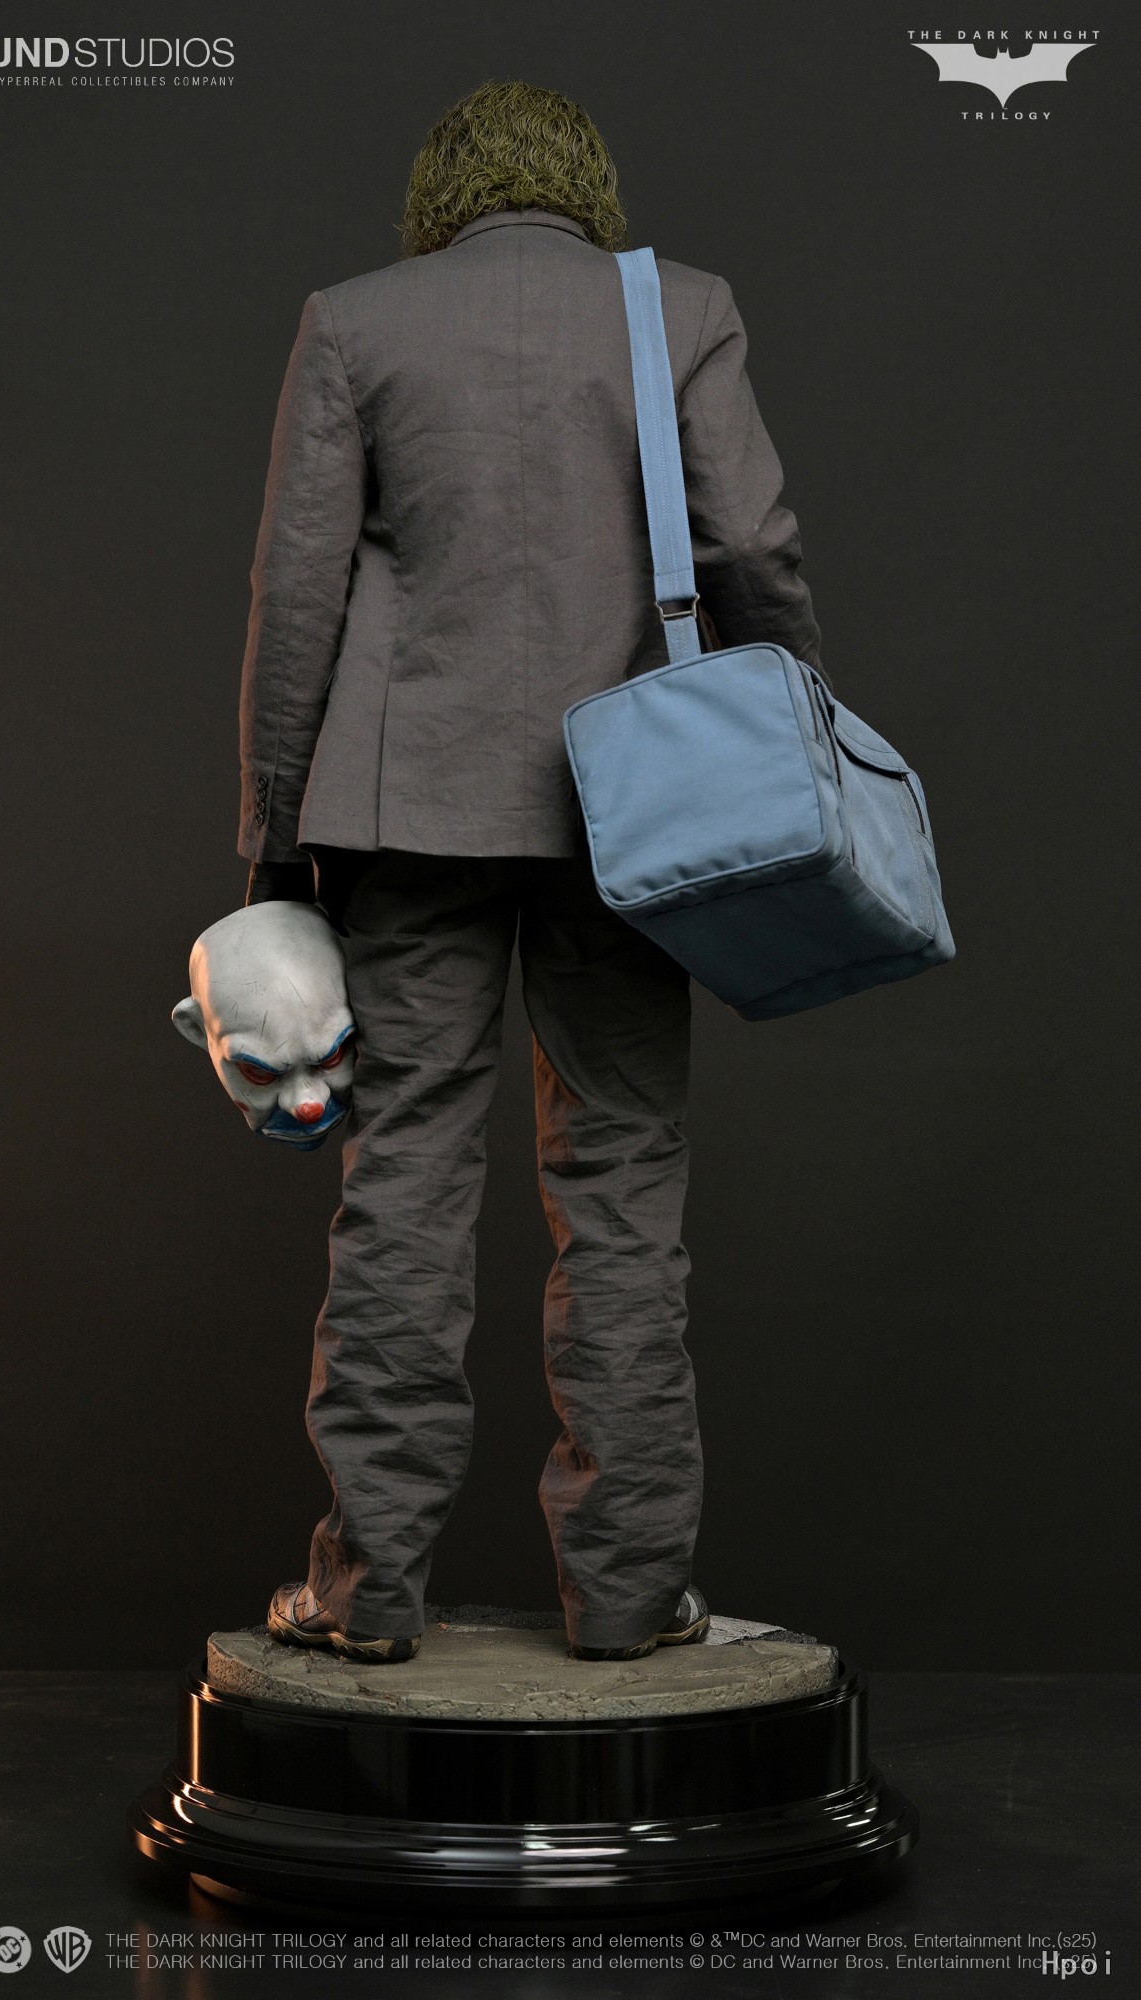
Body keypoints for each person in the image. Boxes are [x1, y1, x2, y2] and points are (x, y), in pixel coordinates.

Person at [239, 79, 824, 1665]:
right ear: (586, 187)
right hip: (632, 813)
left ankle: (364, 1596)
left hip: (405, 817)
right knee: (622, 1193)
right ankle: (629, 1599)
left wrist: (274, 839)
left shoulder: (358, 320)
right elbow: (753, 544)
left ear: (441, 193)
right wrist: (791, 732)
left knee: (400, 1196)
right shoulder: (678, 307)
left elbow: (297, 595)